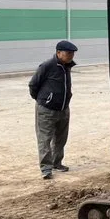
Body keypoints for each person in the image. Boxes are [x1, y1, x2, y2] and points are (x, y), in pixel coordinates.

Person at [28, 40, 78, 180]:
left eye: (72, 53)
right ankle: (46, 169)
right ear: (58, 52)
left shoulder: (67, 66)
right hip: (46, 110)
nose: (71, 56)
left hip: (63, 109)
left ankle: (57, 163)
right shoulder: (47, 66)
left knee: (61, 139)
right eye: (68, 53)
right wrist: (43, 100)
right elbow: (33, 84)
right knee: (45, 139)